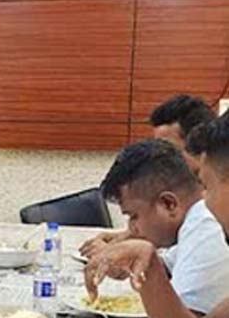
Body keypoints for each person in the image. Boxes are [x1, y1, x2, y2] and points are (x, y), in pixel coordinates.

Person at [85, 114, 229, 318]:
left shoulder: (204, 224)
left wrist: (147, 262)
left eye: (207, 187)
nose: (204, 202)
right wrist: (144, 262)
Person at [83, 139, 229, 315]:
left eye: (133, 216)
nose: (132, 228)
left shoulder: (204, 226)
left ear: (169, 204)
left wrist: (144, 254)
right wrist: (128, 261)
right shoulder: (193, 221)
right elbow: (166, 268)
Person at [80, 95, 216, 258]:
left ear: (200, 146)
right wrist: (130, 236)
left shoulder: (215, 205)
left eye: (167, 148)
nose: (160, 157)